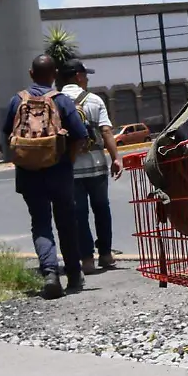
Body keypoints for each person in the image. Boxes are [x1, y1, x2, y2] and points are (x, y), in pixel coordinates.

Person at [4, 54, 92, 298]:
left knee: (41, 223)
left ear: (31, 73)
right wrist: (69, 160)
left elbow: (6, 135)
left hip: (29, 175)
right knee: (66, 223)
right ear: (54, 75)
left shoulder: (16, 101)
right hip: (60, 172)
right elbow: (80, 134)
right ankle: (74, 275)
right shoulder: (61, 101)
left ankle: (51, 273)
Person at [57, 60, 124, 274]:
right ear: (78, 76)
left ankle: (87, 260)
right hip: (96, 165)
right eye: (85, 75)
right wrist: (116, 158)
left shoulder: (55, 102)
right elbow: (105, 131)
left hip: (70, 168)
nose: (87, 79)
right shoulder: (94, 100)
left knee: (79, 214)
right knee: (101, 209)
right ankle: (105, 254)